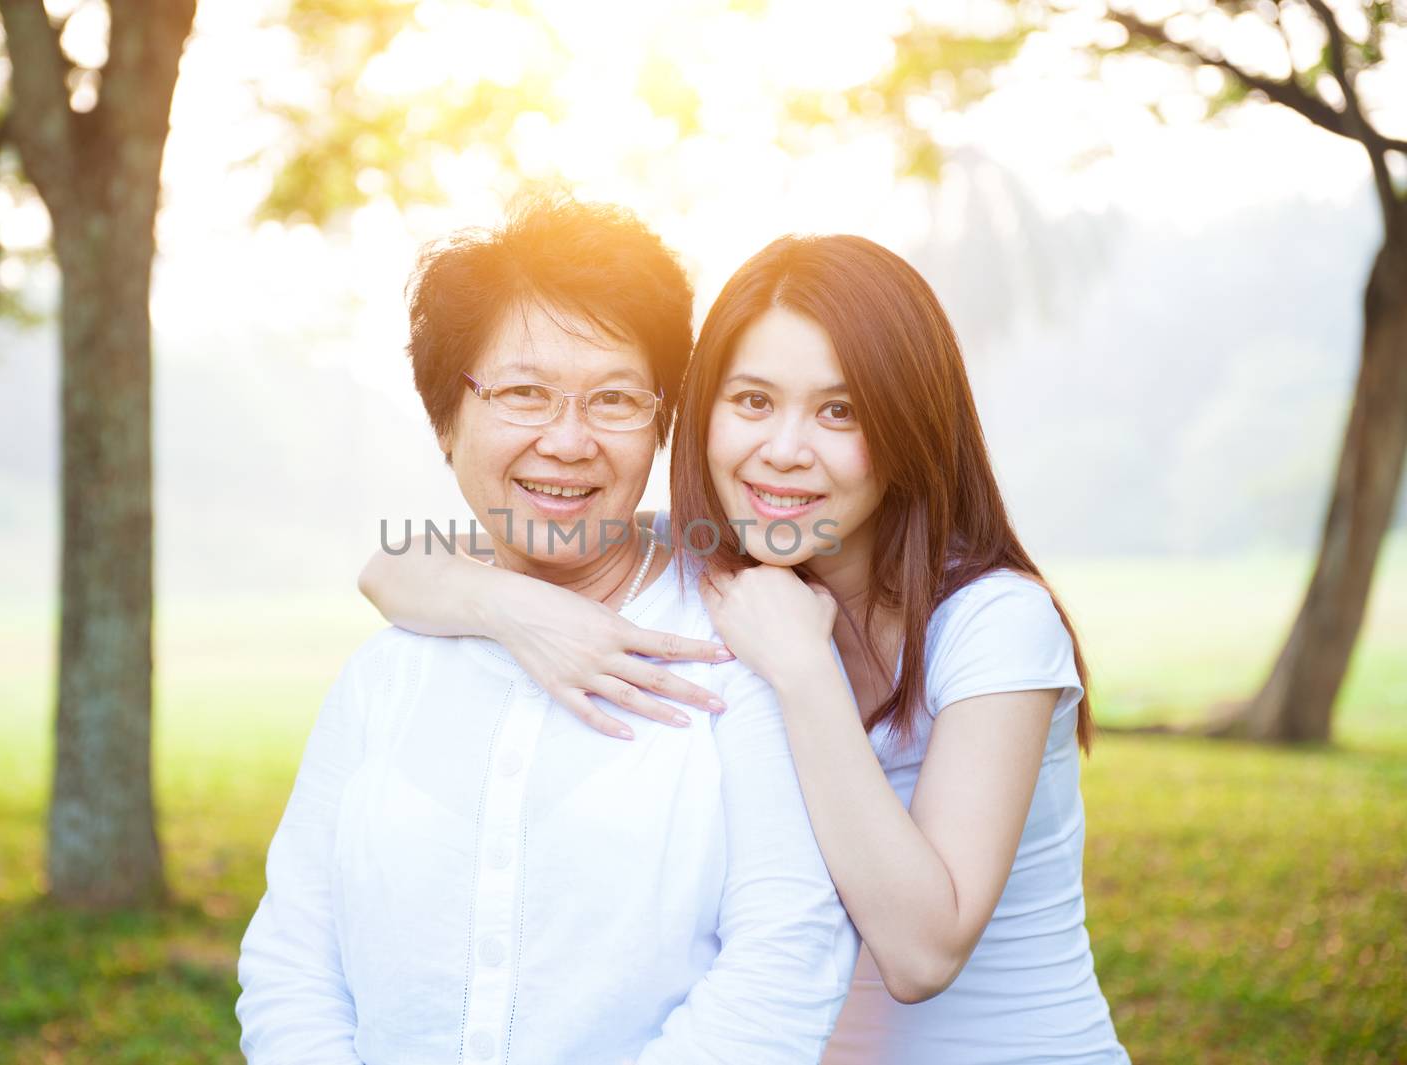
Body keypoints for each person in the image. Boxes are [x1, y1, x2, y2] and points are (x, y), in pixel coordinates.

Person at [360, 234, 1130, 1063]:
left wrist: (804, 670)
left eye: (841, 410)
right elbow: (393, 565)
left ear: (910, 423)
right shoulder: (709, 566)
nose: (785, 449)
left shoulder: (992, 621)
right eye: (753, 402)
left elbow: (922, 950)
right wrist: (510, 607)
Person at [236, 199, 859, 1065]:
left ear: (662, 422)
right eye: (524, 392)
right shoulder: (387, 672)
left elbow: (786, 954)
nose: (566, 441)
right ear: (446, 422)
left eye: (613, 398)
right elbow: (293, 955)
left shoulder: (739, 645)